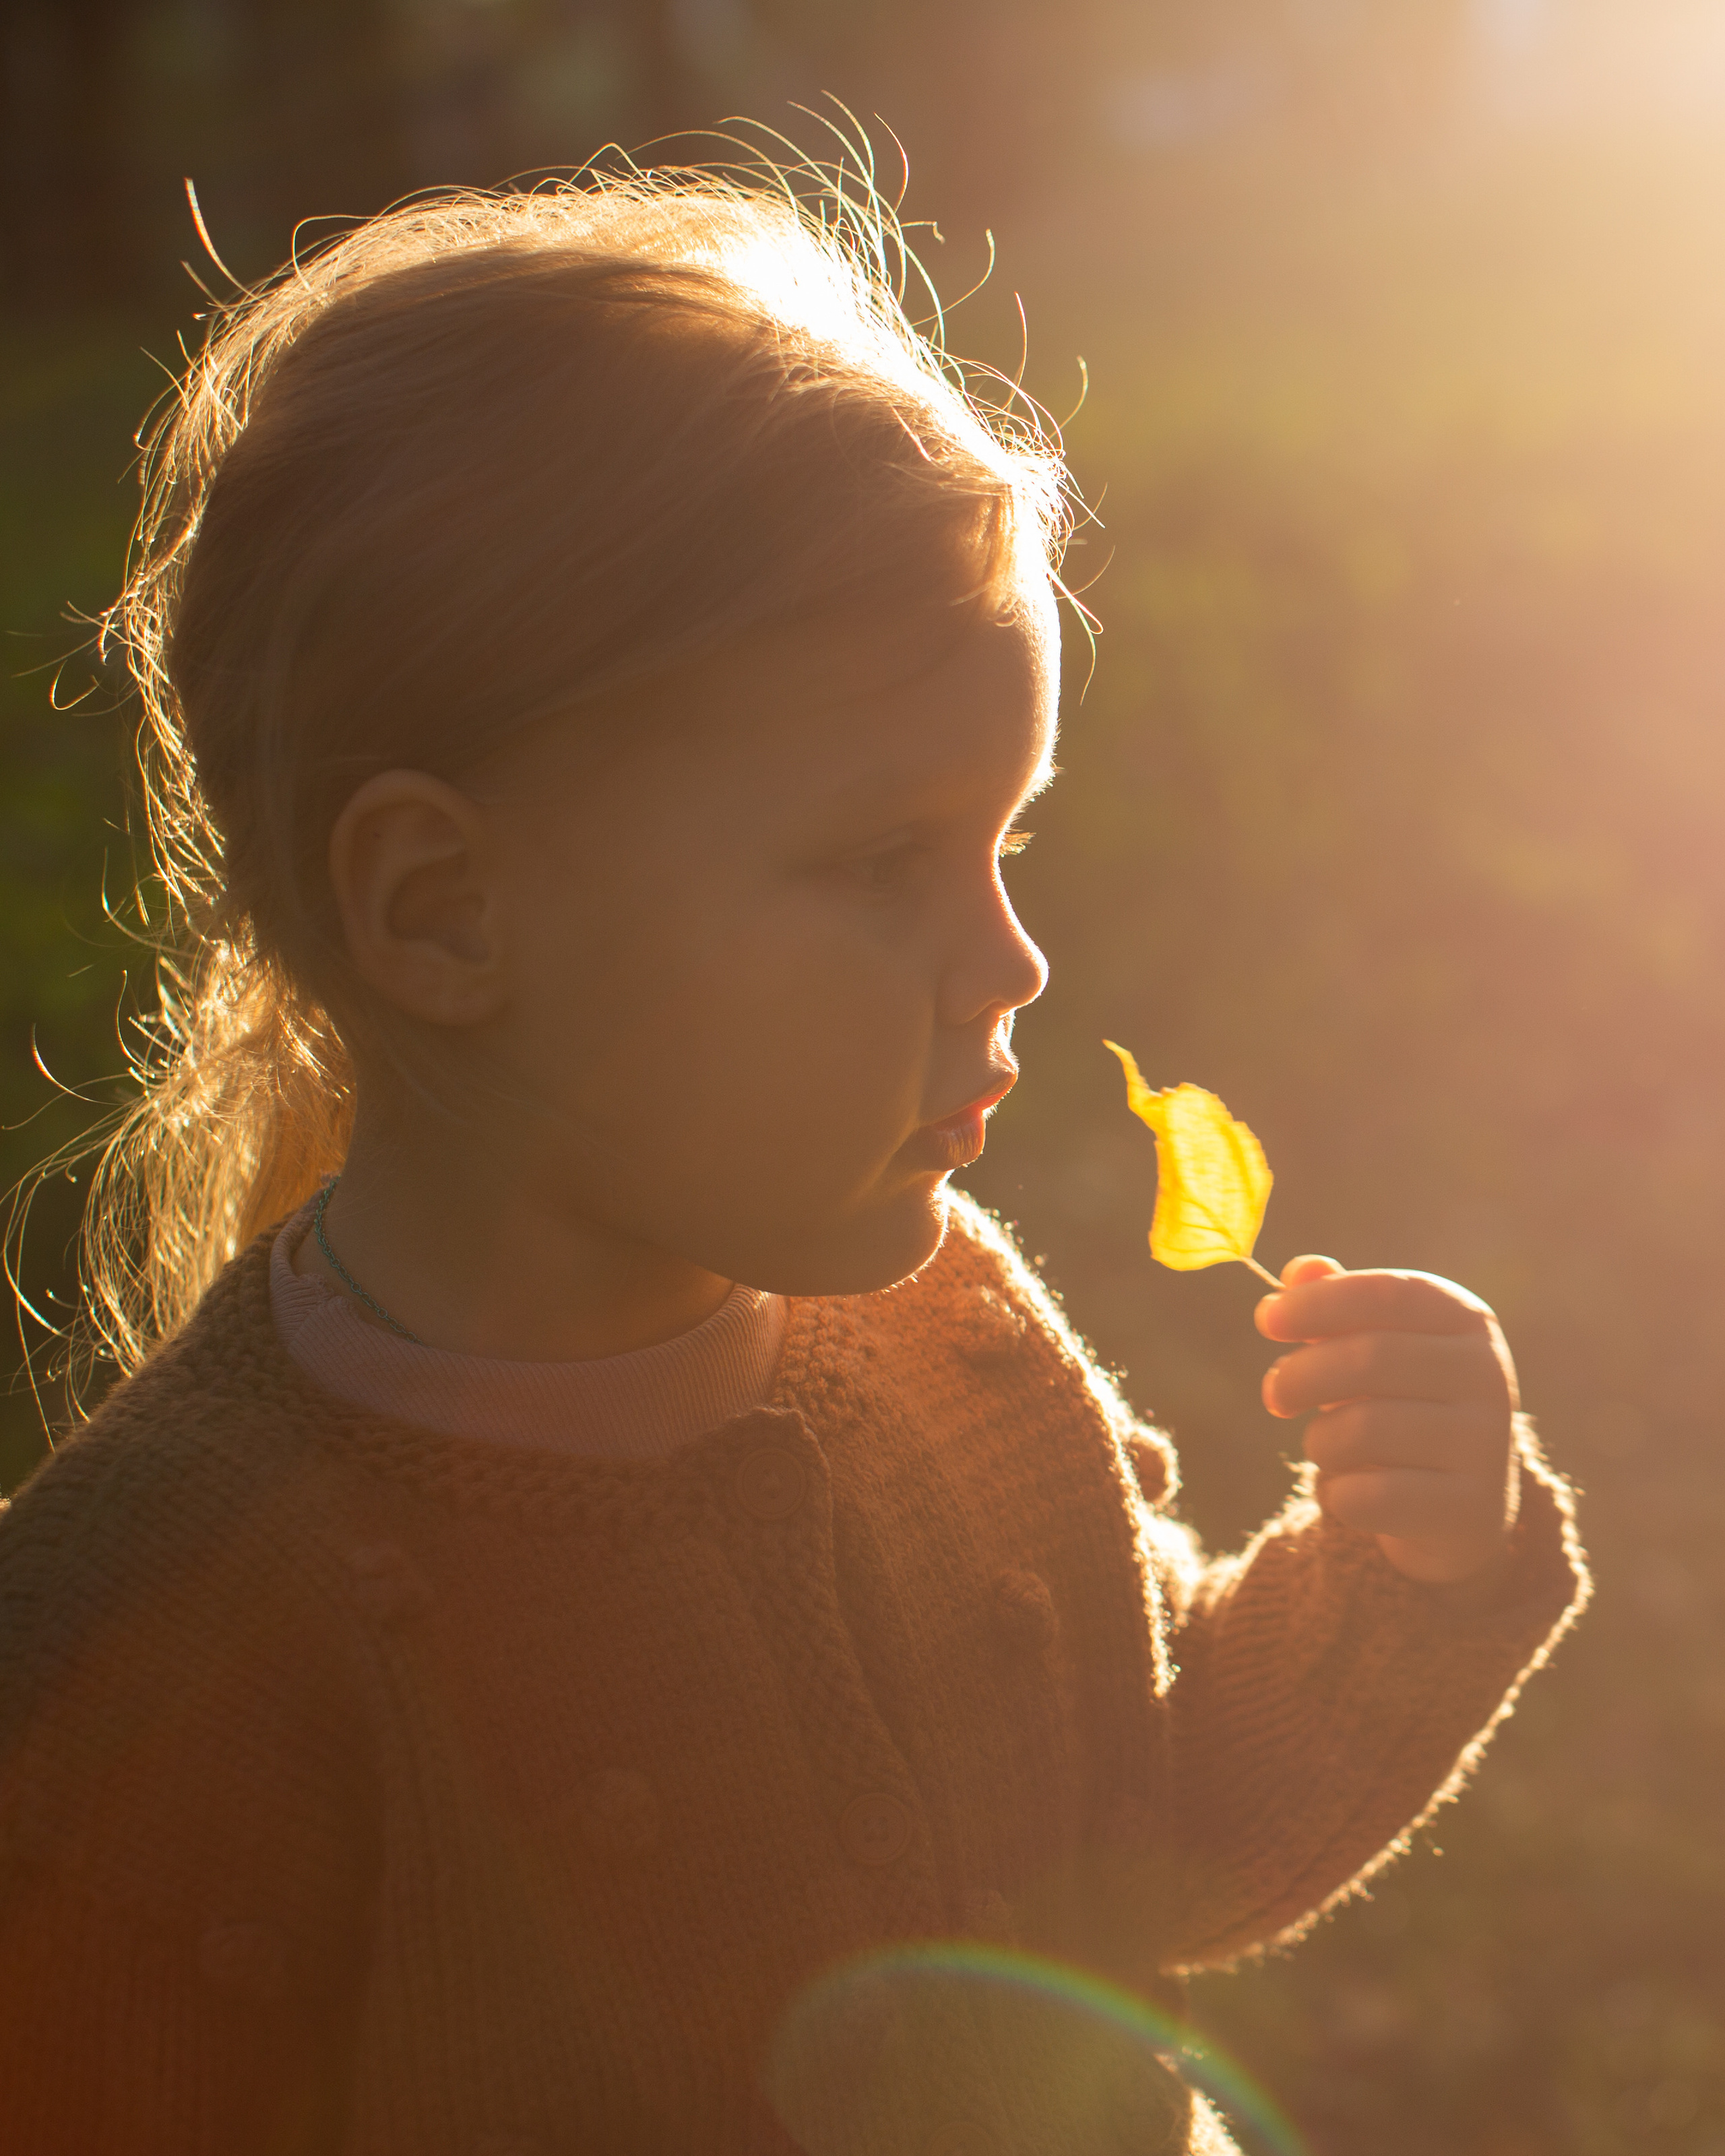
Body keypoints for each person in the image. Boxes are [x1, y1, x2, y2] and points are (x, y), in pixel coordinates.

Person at [0, 152, 1586, 2156]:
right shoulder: (156, 1649)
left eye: (1005, 843)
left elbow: (1147, 1840)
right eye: (880, 862)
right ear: (446, 910)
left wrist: (1403, 1575)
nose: (1010, 959)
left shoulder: (954, 1352)